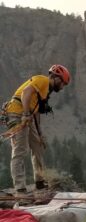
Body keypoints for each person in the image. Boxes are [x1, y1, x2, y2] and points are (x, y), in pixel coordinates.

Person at [4, 64, 70, 196]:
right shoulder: (43, 80)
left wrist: (40, 134)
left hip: (27, 115)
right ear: (57, 78)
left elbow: (37, 112)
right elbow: (25, 93)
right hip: (17, 114)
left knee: (37, 146)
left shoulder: (45, 90)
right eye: (63, 83)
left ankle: (40, 181)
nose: (62, 87)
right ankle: (20, 188)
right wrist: (26, 114)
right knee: (20, 151)